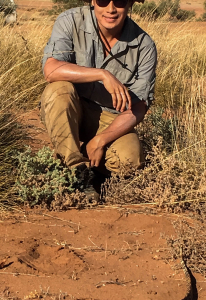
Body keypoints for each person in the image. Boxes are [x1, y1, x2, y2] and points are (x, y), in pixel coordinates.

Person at [40, 0, 157, 200]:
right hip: (72, 107)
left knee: (130, 159)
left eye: (119, 1)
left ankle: (94, 167)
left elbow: (138, 107)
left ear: (130, 3)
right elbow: (51, 70)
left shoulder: (145, 45)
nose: (111, 9)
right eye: (103, 0)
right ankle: (76, 171)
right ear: (93, 1)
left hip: (111, 117)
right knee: (58, 89)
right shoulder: (70, 20)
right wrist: (102, 74)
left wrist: (100, 140)